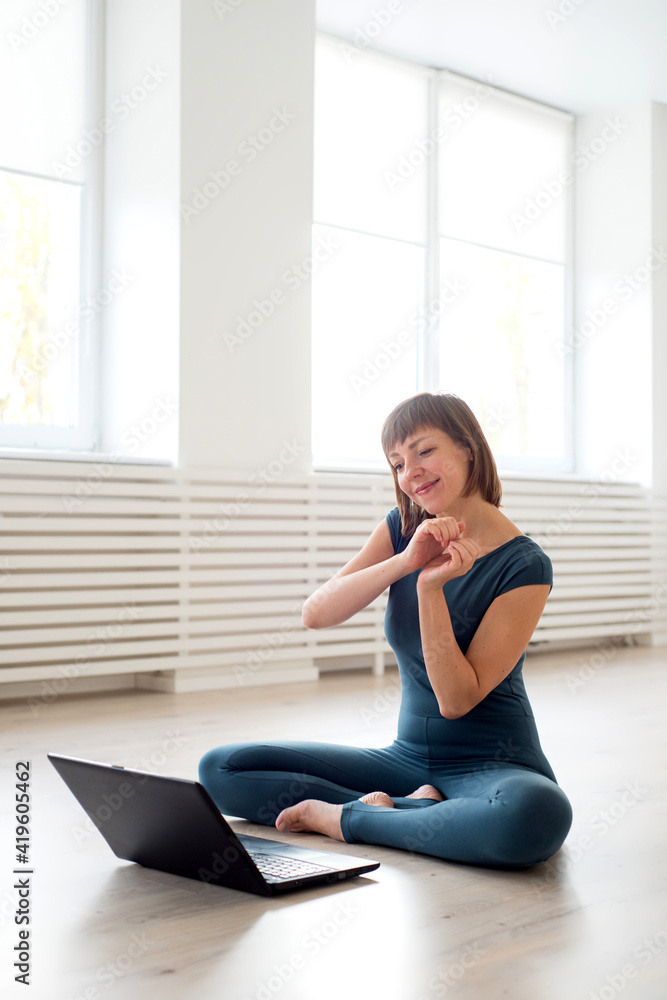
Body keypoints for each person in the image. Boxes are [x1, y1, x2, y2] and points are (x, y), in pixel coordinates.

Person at [198, 392, 573, 869]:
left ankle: (345, 818)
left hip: (495, 767)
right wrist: (407, 563)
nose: (409, 472)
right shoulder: (403, 530)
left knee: (534, 817)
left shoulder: (524, 564)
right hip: (406, 760)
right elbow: (316, 613)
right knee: (220, 769)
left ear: (469, 448)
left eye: (423, 451)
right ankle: (419, 807)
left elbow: (456, 700)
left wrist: (430, 589)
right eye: (396, 463)